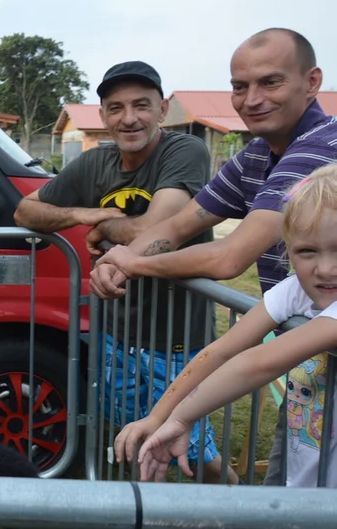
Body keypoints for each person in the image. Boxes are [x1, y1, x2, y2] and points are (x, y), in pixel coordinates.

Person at [98, 28, 337, 485]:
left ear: (312, 82)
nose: (252, 99)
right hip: (310, 368)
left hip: (311, 345)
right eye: (239, 86)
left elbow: (231, 257)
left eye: (270, 82)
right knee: (295, 493)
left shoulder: (322, 155)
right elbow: (181, 223)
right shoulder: (256, 154)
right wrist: (122, 254)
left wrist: (132, 263)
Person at [14, 60, 235, 482]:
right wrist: (84, 213)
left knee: (192, 449)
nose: (129, 118)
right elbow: (25, 210)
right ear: (102, 116)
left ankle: (251, 517)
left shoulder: (185, 151)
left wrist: (105, 227)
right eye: (116, 108)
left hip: (176, 339)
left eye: (141, 105)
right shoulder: (96, 162)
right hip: (115, 332)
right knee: (135, 436)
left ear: (163, 108)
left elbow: (157, 225)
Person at [130, 163, 337, 488]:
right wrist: (159, 416)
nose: (325, 268)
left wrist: (183, 416)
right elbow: (221, 352)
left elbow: (258, 362)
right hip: (307, 484)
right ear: (288, 249)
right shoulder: (296, 288)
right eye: (307, 251)